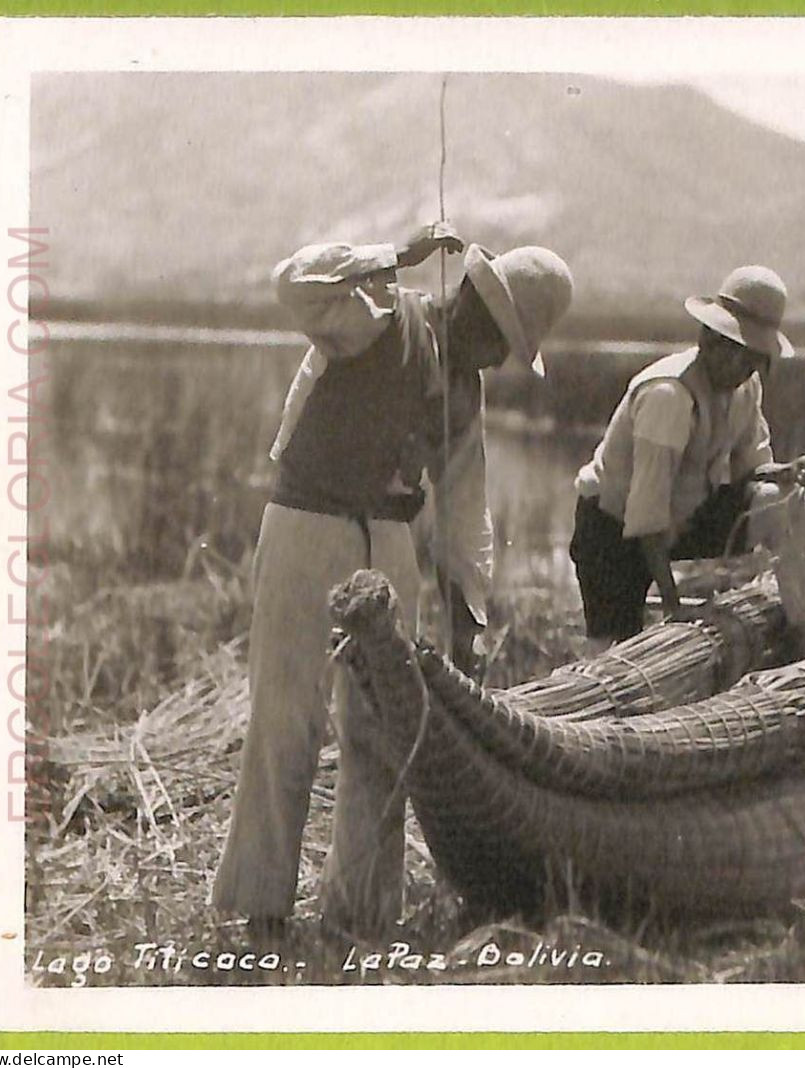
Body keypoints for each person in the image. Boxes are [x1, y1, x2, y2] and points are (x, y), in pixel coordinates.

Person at [212, 223, 573, 936]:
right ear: (468, 297)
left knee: (379, 731)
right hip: (307, 526)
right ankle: (261, 910)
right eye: (493, 332)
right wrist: (390, 257)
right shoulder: (376, 316)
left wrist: (466, 618)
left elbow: (466, 512)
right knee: (286, 718)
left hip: (390, 545)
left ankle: (359, 918)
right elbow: (295, 283)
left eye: (504, 347)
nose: (492, 354)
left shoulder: (464, 397)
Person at [570, 266, 805, 656]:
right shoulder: (668, 396)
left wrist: (785, 473)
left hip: (686, 516)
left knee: (788, 502)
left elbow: (749, 469)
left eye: (751, 359)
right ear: (709, 341)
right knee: (616, 653)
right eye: (733, 354)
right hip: (613, 533)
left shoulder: (746, 386)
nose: (740, 369)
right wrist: (673, 606)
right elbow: (646, 514)